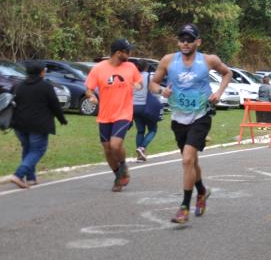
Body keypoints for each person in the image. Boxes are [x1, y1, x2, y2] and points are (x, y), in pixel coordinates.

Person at [151, 24, 232, 225]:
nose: (185, 43)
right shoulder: (168, 60)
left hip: (201, 115)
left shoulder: (208, 60)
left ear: (198, 41)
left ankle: (184, 207)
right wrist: (162, 91)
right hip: (178, 117)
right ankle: (202, 191)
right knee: (192, 162)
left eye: (189, 39)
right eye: (182, 39)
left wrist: (218, 93)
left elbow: (227, 73)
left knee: (187, 159)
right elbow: (153, 84)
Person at [84, 39, 143, 192]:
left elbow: (139, 82)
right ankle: (118, 175)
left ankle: (123, 166)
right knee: (107, 149)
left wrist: (137, 85)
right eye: (127, 51)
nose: (130, 54)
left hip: (124, 113)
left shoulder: (130, 67)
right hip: (105, 115)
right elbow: (89, 88)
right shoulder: (99, 69)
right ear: (118, 53)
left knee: (115, 145)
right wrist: (91, 96)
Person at [9, 61, 68, 188]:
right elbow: (55, 106)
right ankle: (18, 175)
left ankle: (31, 178)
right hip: (38, 125)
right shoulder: (46, 86)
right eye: (44, 69)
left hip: (19, 125)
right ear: (41, 72)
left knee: (28, 148)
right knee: (38, 149)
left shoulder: (18, 86)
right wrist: (62, 119)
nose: (45, 71)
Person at [132, 60, 158, 162]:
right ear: (146, 67)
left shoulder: (133, 77)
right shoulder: (149, 76)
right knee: (152, 129)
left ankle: (140, 156)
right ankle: (142, 147)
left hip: (134, 106)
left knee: (140, 130)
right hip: (146, 106)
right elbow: (154, 90)